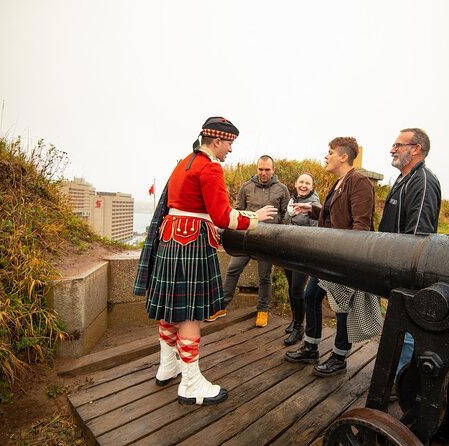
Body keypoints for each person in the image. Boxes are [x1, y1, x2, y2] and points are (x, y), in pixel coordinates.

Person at [133, 117, 277, 406]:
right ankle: (190, 383)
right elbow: (223, 217)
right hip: (192, 242)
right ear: (217, 141)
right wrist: (255, 217)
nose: (230, 151)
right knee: (189, 315)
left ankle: (168, 366)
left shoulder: (184, 161)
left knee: (172, 309)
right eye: (229, 144)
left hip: (170, 240)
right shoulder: (209, 166)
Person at [285, 137, 374, 377]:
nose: (326, 156)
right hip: (328, 256)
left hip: (343, 257)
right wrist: (312, 209)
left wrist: (348, 259)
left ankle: (339, 356)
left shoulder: (359, 181)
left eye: (330, 152)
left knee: (341, 307)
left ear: (344, 157)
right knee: (311, 295)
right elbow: (335, 215)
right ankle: (311, 345)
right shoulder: (340, 182)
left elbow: (361, 225)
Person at [378, 127, 441, 395]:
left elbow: (418, 236)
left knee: (408, 331)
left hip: (408, 270)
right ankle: (395, 375)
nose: (392, 149)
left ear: (416, 149)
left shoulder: (423, 181)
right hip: (394, 267)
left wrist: (403, 271)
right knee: (398, 327)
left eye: (398, 144)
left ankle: (401, 382)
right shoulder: (402, 179)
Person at [206, 155, 290, 327]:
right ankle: (221, 305)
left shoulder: (282, 189)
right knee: (232, 269)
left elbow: (285, 216)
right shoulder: (246, 187)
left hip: (268, 242)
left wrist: (279, 238)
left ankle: (262, 310)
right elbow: (237, 211)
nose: (264, 172)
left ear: (273, 170)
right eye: (261, 169)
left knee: (265, 277)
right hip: (246, 239)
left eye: (267, 169)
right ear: (257, 168)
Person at [282, 173, 321, 345]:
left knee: (298, 289)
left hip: (302, 255)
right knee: (292, 288)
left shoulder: (314, 206)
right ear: (296, 184)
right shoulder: (292, 202)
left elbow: (315, 233)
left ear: (312, 187)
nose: (304, 185)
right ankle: (295, 319)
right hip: (287, 253)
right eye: (301, 182)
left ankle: (299, 327)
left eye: (307, 183)